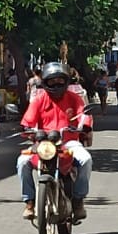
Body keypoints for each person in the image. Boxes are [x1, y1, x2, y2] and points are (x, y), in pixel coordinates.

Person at [18, 62, 93, 221]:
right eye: (52, 81)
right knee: (22, 162)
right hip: (44, 144)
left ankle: (78, 200)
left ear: (66, 81)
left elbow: (83, 115)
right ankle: (29, 202)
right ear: (45, 82)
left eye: (60, 81)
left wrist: (84, 126)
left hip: (69, 142)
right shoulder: (39, 99)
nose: (56, 84)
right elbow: (28, 120)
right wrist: (27, 129)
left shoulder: (74, 98)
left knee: (86, 160)